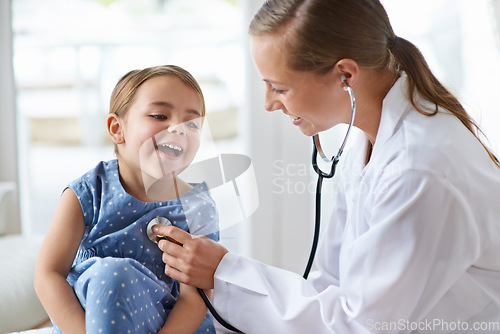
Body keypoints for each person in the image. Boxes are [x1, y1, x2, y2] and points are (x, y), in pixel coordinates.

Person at [153, 0, 500, 333]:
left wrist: (224, 272)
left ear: (345, 75)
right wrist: (224, 275)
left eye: (279, 87)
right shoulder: (369, 140)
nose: (269, 103)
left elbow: (358, 326)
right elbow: (331, 286)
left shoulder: (419, 170)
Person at [34, 65, 220, 334]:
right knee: (112, 275)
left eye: (191, 123)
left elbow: (195, 296)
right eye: (160, 115)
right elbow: (47, 275)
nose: (179, 129)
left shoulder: (198, 206)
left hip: (169, 324)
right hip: (92, 324)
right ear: (117, 129)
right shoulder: (87, 192)